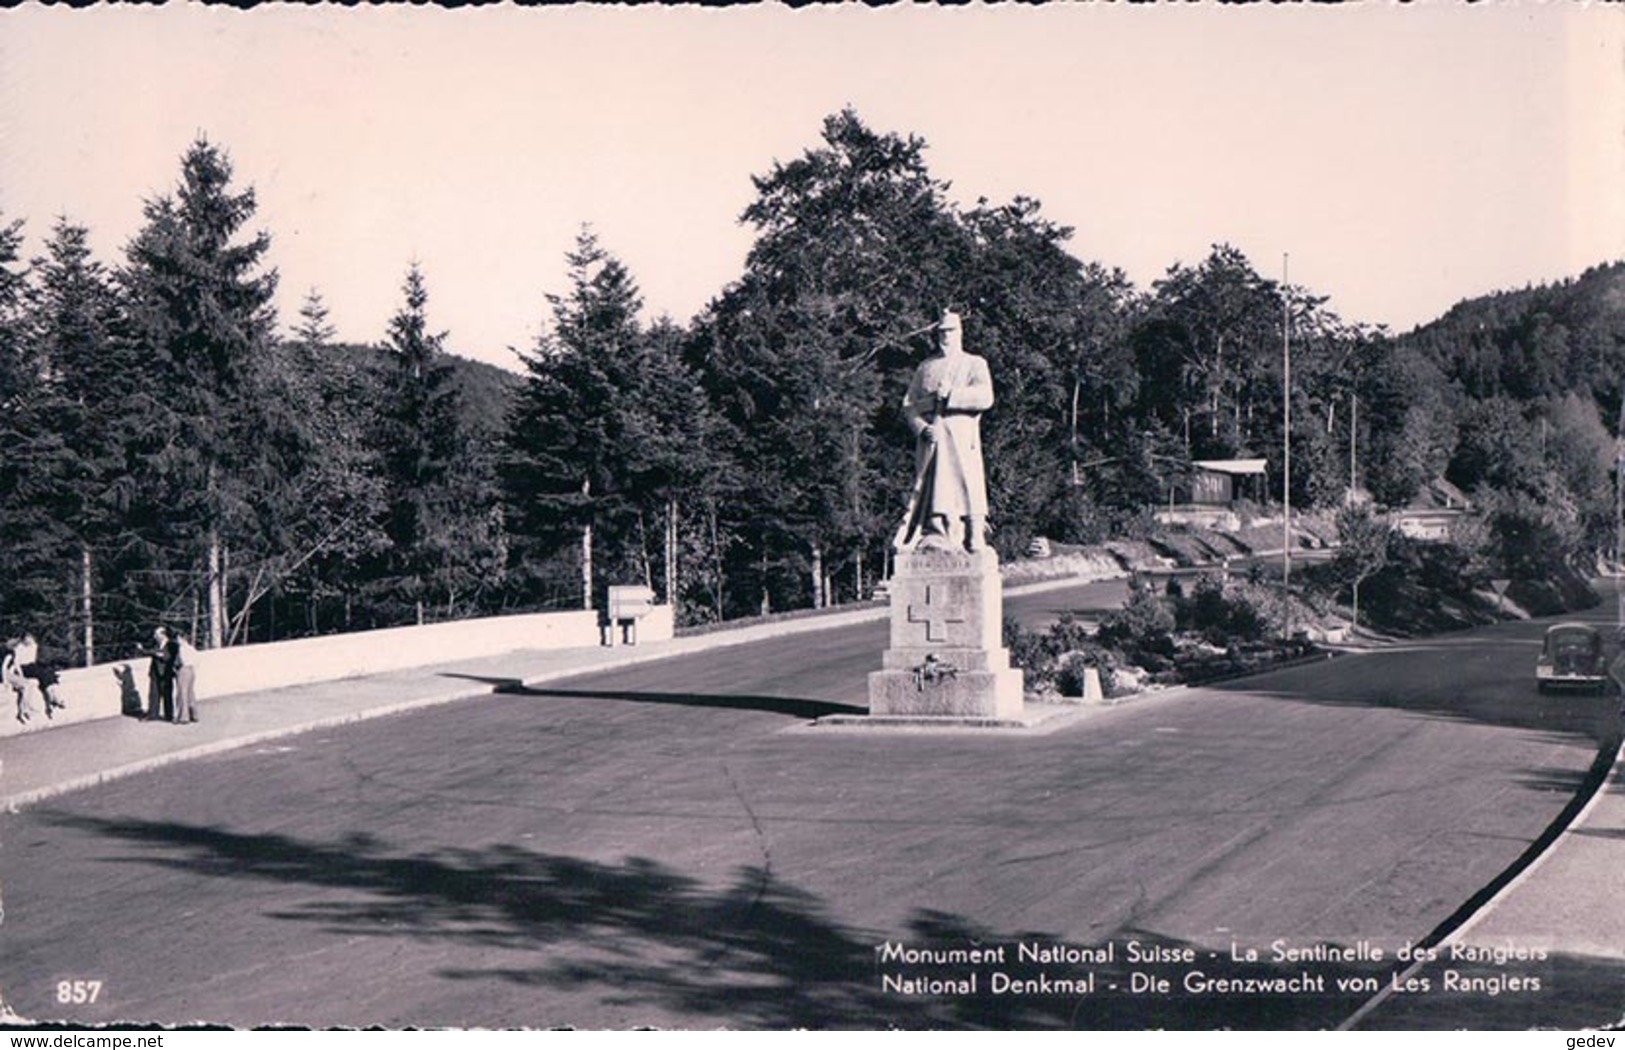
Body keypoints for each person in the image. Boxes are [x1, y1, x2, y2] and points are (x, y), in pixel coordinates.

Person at [896, 310, 995, 553]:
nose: (945, 336)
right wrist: (921, 428)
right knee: (933, 487)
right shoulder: (926, 367)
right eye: (941, 332)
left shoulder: (974, 363)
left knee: (969, 486)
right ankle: (937, 533)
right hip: (932, 438)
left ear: (960, 333)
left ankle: (973, 534)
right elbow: (908, 404)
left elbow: (985, 397)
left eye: (950, 331)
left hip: (961, 436)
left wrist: (953, 396)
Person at [14, 633, 66, 719]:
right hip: (24, 668)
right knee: (43, 674)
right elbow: (17, 663)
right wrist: (21, 675)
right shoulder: (19, 648)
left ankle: (53, 697)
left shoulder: (34, 646)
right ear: (24, 639)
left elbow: (33, 659)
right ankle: (54, 700)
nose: (29, 641)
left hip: (33, 666)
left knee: (48, 673)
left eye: (30, 639)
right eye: (27, 639)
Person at [145, 626, 176, 723]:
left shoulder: (172, 645)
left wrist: (161, 655)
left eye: (156, 634)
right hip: (155, 672)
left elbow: (169, 657)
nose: (154, 636)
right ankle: (152, 714)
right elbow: (150, 651)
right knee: (154, 693)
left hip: (166, 673)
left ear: (162, 635)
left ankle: (169, 715)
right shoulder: (156, 644)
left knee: (167, 694)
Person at [171, 631, 200, 724]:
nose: (177, 640)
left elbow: (180, 661)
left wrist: (175, 667)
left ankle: (184, 717)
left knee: (182, 693)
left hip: (183, 670)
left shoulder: (181, 649)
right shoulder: (191, 648)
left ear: (183, 639)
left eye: (178, 638)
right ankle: (194, 714)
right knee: (190, 693)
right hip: (191, 670)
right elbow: (197, 660)